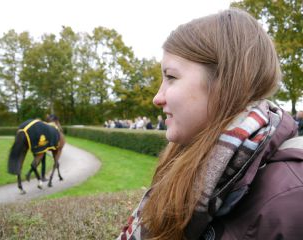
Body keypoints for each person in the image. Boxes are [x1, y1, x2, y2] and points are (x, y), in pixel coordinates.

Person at [117, 8, 303, 240]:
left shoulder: (292, 200)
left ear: (225, 82)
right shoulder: (189, 156)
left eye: (171, 77)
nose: (157, 97)